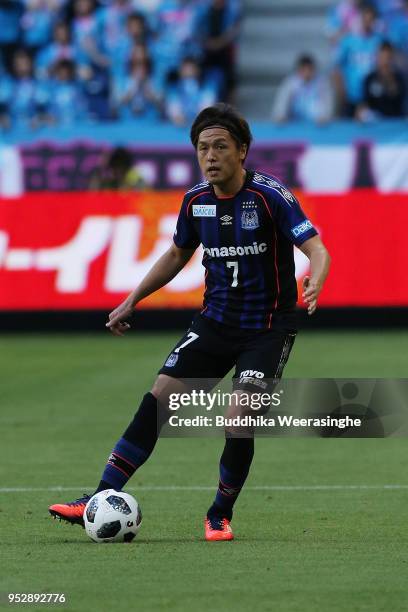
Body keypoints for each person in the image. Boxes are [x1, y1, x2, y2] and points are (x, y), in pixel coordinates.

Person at [49, 103, 331, 541]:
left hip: (268, 328)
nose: (211, 156)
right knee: (158, 398)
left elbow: (316, 248)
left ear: (243, 151)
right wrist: (132, 300)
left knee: (240, 418)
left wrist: (316, 280)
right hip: (215, 323)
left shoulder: (270, 196)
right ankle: (100, 496)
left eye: (220, 146)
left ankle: (219, 513)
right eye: (203, 148)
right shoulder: (195, 202)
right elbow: (177, 254)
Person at [272, 55, 335, 124]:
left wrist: (325, 116)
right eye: (304, 70)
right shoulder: (290, 83)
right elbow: (282, 102)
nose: (307, 73)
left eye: (309, 70)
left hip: (317, 124)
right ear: (299, 70)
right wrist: (280, 115)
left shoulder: (322, 83)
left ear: (314, 70)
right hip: (295, 123)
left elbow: (328, 103)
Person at [357, 40, 406, 120]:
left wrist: (389, 80)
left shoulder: (399, 78)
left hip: (396, 123)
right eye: (382, 57)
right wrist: (361, 112)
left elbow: (400, 101)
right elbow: (364, 104)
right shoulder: (369, 79)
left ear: (392, 58)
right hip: (375, 125)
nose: (385, 61)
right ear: (377, 57)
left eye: (388, 58)